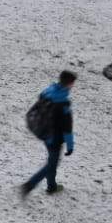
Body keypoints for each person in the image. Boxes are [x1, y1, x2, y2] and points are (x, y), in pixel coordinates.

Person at [20, 70, 76, 198]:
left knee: (52, 161)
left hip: (44, 133)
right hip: (54, 138)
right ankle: (29, 185)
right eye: (73, 83)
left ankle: (52, 186)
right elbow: (67, 128)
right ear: (69, 84)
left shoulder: (49, 91)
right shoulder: (63, 103)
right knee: (51, 165)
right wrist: (70, 145)